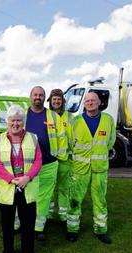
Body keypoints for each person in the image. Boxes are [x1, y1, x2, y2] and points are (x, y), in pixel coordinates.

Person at [0, 105, 42, 253]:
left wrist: (27, 177)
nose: (16, 124)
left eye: (19, 120)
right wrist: (11, 179)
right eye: (12, 120)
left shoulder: (33, 138)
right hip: (7, 188)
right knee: (7, 225)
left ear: (23, 122)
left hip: (27, 187)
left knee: (28, 224)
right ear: (7, 122)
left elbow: (38, 161)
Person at [67, 92, 116, 244]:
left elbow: (110, 142)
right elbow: (69, 143)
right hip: (80, 168)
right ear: (84, 103)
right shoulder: (75, 121)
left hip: (99, 169)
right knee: (74, 200)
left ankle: (101, 230)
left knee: (100, 200)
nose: (90, 103)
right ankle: (72, 230)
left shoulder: (108, 120)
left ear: (99, 102)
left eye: (93, 100)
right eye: (87, 100)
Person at [25, 86, 67, 241]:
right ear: (30, 96)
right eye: (35, 94)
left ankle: (38, 228)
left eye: (41, 95)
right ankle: (19, 224)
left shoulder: (53, 116)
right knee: (25, 196)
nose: (38, 97)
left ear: (44, 98)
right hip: (27, 164)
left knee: (44, 197)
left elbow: (61, 138)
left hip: (49, 163)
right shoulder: (23, 114)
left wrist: (59, 157)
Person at [47, 89, 74, 230]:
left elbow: (74, 138)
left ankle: (63, 216)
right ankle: (48, 215)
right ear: (50, 101)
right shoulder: (46, 116)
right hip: (50, 160)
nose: (56, 101)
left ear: (63, 101)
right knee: (49, 190)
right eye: (54, 99)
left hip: (65, 160)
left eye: (59, 99)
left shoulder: (70, 117)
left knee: (64, 189)